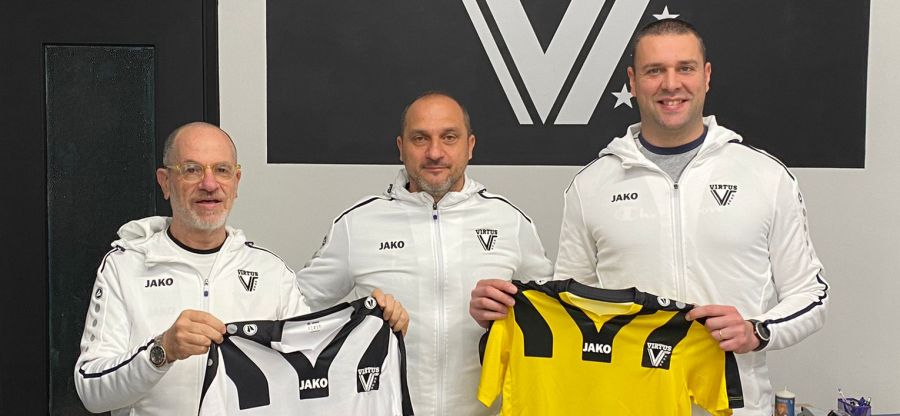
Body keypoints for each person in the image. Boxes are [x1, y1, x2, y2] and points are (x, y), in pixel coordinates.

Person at [470, 19, 828, 415]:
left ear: (706, 76)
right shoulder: (591, 186)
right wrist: (506, 315)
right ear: (633, 80)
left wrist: (757, 331)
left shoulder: (765, 176)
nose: (671, 84)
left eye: (685, 68)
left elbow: (811, 295)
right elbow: (571, 310)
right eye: (654, 70)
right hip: (625, 404)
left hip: (737, 405)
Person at [74, 122, 408, 415]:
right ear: (165, 182)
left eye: (221, 170)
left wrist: (375, 330)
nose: (209, 184)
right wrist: (162, 350)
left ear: (236, 181)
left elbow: (312, 372)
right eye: (191, 170)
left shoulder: (271, 272)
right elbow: (91, 392)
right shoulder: (125, 266)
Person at [295, 92, 554, 416]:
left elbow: (554, 323)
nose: (434, 152)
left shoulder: (510, 222)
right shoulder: (357, 224)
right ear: (401, 147)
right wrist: (358, 320)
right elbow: (295, 313)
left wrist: (507, 318)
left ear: (470, 146)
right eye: (420, 138)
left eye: (449, 137)